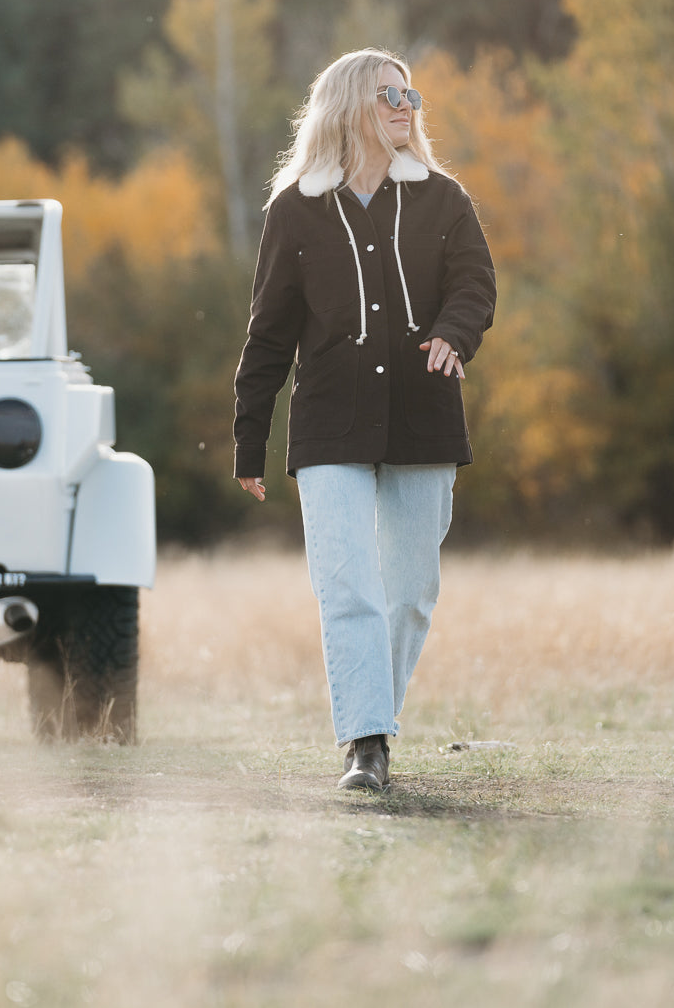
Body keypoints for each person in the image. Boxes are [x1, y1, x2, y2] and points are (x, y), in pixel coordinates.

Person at [233, 48, 496, 791]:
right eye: (389, 95)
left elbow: (476, 284)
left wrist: (453, 334)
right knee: (348, 589)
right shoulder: (296, 211)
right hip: (329, 425)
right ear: (350, 106)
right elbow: (269, 333)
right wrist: (250, 437)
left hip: (423, 418)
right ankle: (367, 745)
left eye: (411, 95)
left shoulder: (443, 200)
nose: (406, 106)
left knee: (408, 595)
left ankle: (374, 716)